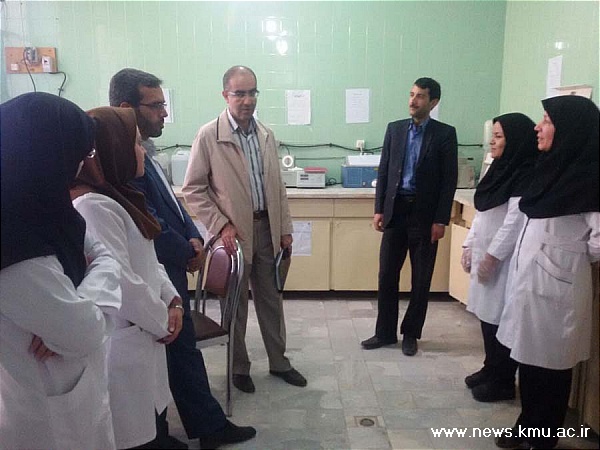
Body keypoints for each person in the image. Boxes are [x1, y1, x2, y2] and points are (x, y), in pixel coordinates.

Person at [109, 68, 256, 448]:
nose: (164, 113)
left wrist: (194, 236)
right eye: (156, 105)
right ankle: (180, 431)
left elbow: (172, 204)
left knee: (178, 352)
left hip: (170, 265)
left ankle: (199, 426)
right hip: (156, 268)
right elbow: (146, 218)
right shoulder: (121, 158)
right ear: (126, 108)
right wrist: (185, 249)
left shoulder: (146, 149)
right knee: (172, 351)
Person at [1, 93, 121, 449]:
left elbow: (106, 257)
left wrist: (80, 304)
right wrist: (84, 314)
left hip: (73, 391)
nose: (81, 164)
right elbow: (84, 332)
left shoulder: (49, 213)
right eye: (79, 153)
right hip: (43, 414)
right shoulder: (13, 246)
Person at [182, 65, 307, 393]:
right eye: (240, 93)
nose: (247, 100)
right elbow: (193, 189)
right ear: (226, 95)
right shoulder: (210, 135)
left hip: (267, 230)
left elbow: (278, 187)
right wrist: (221, 225)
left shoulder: (266, 134)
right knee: (234, 305)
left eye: (252, 92)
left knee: (271, 301)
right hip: (233, 237)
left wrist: (285, 228)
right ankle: (239, 367)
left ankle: (279, 362)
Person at [71, 107, 184, 449]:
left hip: (145, 333)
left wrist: (173, 299)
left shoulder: (122, 196)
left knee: (152, 423)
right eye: (135, 143)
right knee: (132, 435)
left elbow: (149, 260)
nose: (142, 151)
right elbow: (122, 281)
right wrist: (162, 319)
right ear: (113, 148)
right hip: (126, 340)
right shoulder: (93, 205)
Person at [495, 95, 599, 449]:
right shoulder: (548, 169)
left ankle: (544, 436)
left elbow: (599, 241)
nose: (538, 127)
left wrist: (564, 258)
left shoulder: (589, 177)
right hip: (531, 281)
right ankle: (526, 423)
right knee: (528, 357)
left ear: (569, 130)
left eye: (547, 121)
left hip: (560, 285)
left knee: (553, 365)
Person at [361, 77, 458, 356]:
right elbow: (384, 171)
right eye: (412, 94)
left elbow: (448, 180)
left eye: (420, 96)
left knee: (421, 278)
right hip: (396, 211)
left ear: (433, 102)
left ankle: (411, 334)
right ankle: (384, 332)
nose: (413, 101)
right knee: (386, 274)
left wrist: (441, 219)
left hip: (424, 216)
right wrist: (379, 209)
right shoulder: (395, 129)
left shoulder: (444, 134)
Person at [461, 113, 538, 402]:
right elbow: (482, 214)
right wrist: (468, 245)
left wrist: (492, 257)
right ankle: (490, 368)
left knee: (501, 320)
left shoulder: (525, 173)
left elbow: (513, 222)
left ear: (515, 140)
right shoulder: (497, 170)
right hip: (485, 252)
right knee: (486, 315)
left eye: (498, 137)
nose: (491, 142)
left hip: (504, 262)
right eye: (492, 136)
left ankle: (503, 380)